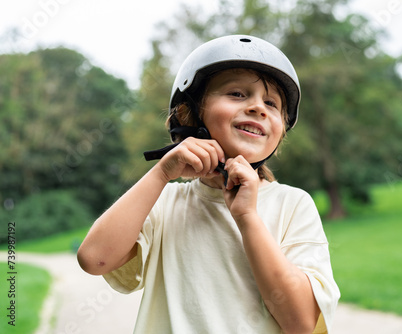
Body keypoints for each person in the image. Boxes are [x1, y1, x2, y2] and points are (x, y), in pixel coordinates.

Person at [77, 34, 340, 333]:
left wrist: (247, 217)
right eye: (238, 94)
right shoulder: (164, 203)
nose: (258, 107)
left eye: (271, 102)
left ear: (281, 130)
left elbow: (301, 322)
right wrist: (161, 174)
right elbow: (94, 259)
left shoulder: (293, 205)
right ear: (189, 113)